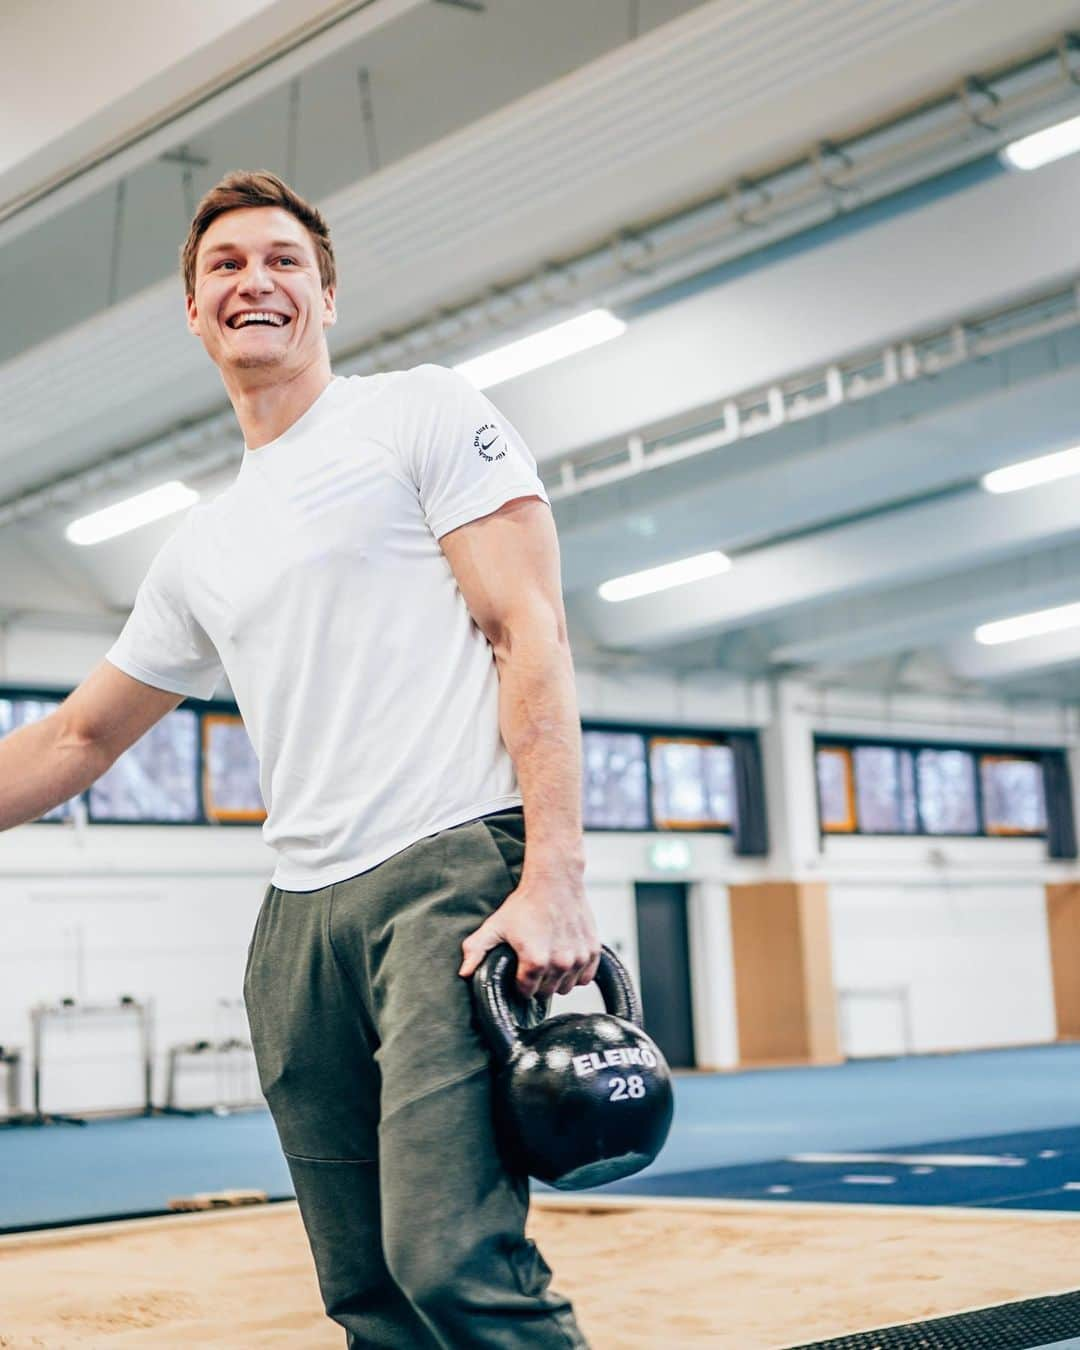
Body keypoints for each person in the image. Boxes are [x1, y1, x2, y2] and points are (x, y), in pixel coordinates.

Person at [0, 170, 598, 1348]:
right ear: (194, 312)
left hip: (446, 877)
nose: (254, 280)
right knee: (367, 1288)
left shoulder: (417, 414)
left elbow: (529, 630)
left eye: (283, 260)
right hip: (298, 924)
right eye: (225, 266)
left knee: (452, 1261)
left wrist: (556, 874)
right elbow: (78, 737)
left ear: (325, 296)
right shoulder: (202, 544)